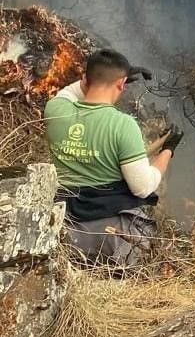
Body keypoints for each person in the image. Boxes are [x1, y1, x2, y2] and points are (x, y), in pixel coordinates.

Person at [43, 50, 181, 269]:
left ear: (87, 79)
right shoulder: (123, 125)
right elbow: (143, 187)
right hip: (108, 238)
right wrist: (168, 151)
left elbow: (73, 90)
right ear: (121, 84)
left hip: (63, 228)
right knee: (147, 229)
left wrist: (117, 76)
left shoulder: (55, 109)